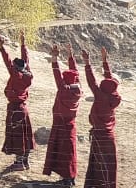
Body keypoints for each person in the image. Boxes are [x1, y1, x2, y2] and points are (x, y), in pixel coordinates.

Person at [82, 48, 121, 188]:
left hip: (99, 134)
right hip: (110, 136)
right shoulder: (114, 97)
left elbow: (91, 81)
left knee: (97, 163)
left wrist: (87, 63)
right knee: (108, 164)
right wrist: (105, 61)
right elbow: (110, 82)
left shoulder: (100, 96)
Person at [44, 45, 82, 186]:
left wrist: (54, 58)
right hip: (70, 124)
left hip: (60, 123)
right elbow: (75, 73)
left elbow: (56, 73)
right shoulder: (78, 89)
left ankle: (67, 179)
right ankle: (69, 177)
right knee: (69, 151)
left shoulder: (63, 89)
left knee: (62, 151)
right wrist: (70, 56)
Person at [0, 33, 36, 171]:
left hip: (15, 109)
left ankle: (19, 162)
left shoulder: (16, 75)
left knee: (18, 136)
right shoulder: (27, 74)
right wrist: (23, 44)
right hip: (23, 109)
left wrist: (1, 47)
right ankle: (25, 161)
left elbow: (7, 61)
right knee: (25, 135)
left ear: (15, 68)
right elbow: (26, 59)